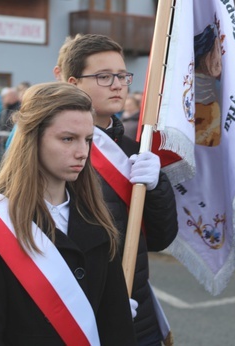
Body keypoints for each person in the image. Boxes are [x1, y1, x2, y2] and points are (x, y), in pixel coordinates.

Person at [0, 82, 137, 345]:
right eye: (67, 138)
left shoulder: (96, 217)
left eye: (87, 140)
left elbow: (116, 325)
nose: (82, 152)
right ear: (32, 138)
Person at [61, 34, 178, 345]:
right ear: (74, 83)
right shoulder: (54, 155)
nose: (117, 85)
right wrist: (101, 297)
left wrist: (157, 188)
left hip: (140, 319)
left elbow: (161, 237)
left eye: (122, 76)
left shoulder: (133, 150)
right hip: (87, 317)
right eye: (103, 76)